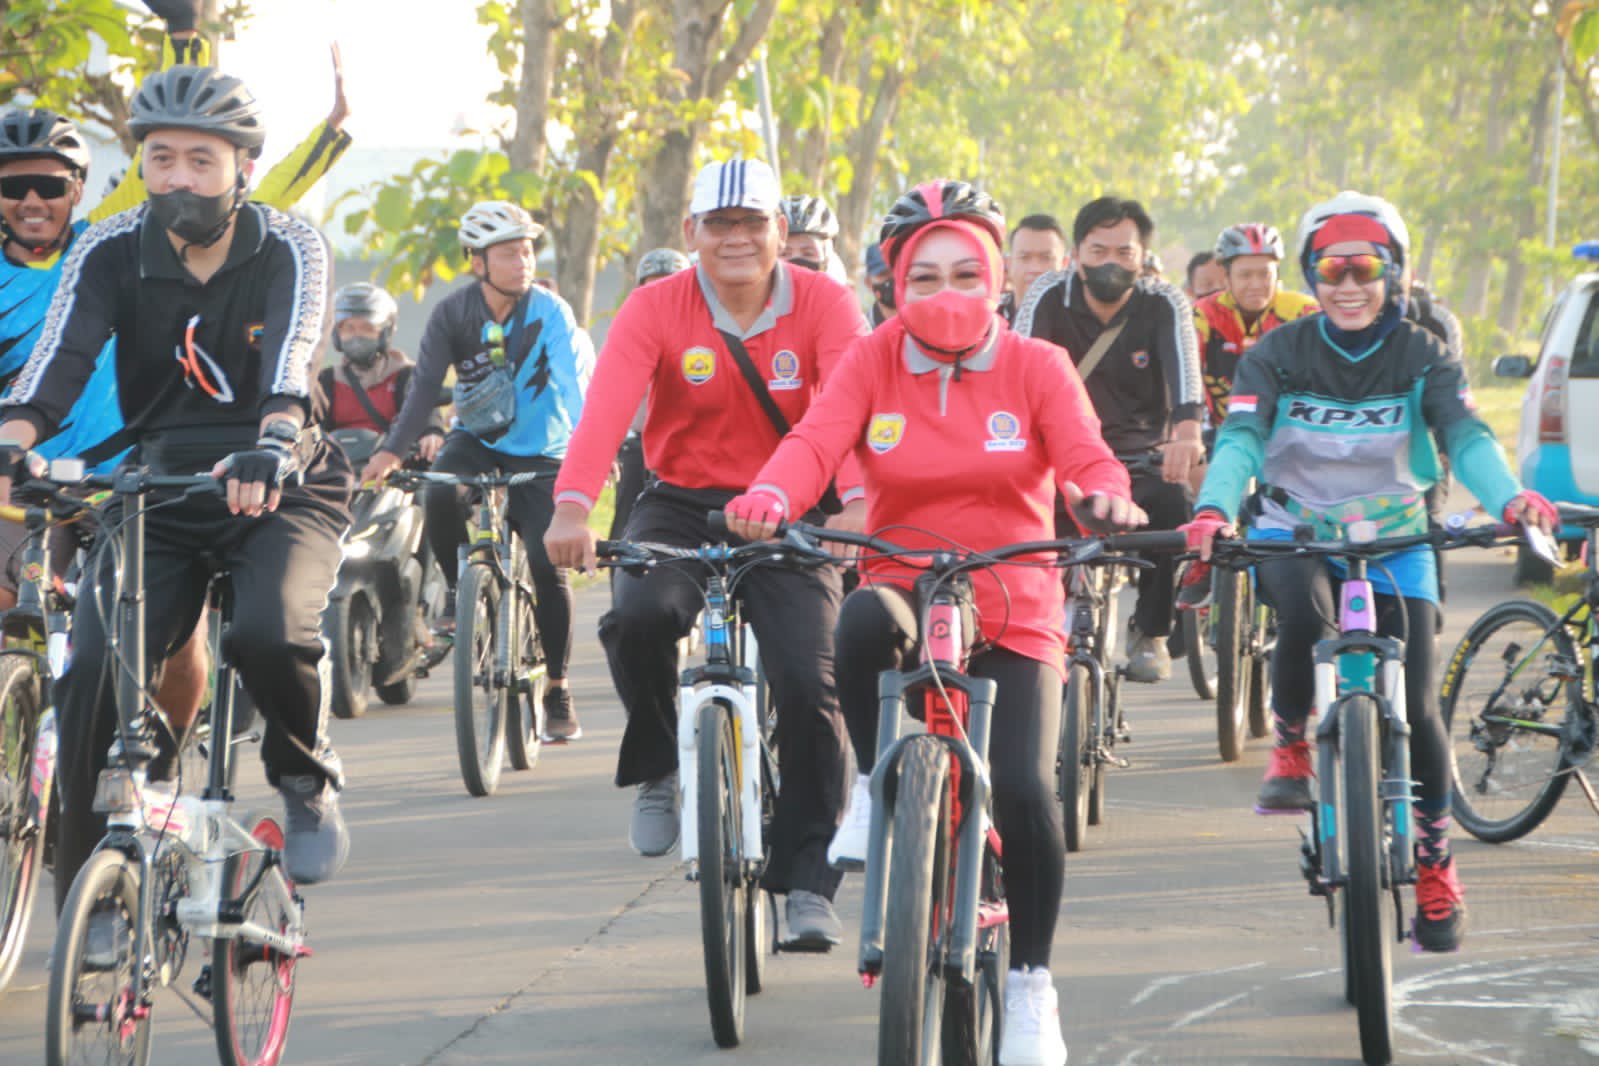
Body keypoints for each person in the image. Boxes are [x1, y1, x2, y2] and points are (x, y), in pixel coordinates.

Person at [722, 180, 1144, 1066]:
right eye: (924, 278)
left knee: (1024, 790)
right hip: (905, 581)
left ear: (996, 283)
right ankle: (873, 788)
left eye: (964, 276)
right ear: (894, 287)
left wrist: (1104, 495)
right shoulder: (871, 358)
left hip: (1015, 601)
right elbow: (813, 442)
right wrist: (769, 493)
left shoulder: (1036, 365)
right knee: (856, 623)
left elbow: (1084, 453)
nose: (944, 294)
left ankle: (1030, 987)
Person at [0, 66, 357, 920]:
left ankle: (305, 778)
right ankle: (91, 902)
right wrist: (13, 441)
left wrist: (273, 444)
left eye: (201, 160)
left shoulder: (289, 244)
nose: (179, 179)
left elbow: (292, 359)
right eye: (161, 159)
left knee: (268, 633)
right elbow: (58, 361)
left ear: (242, 166)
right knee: (92, 675)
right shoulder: (109, 247)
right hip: (157, 479)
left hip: (281, 479)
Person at [1182, 191, 1559, 954]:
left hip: (1396, 539)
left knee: (1417, 705)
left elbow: (1465, 435)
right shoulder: (1274, 354)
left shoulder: (1423, 353)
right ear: (1310, 277)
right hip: (1293, 529)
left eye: (1365, 268)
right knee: (1301, 617)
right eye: (1331, 270)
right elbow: (1242, 438)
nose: (1348, 285)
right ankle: (1291, 739)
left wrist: (1510, 499)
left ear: (1394, 273)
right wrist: (1213, 507)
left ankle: (1435, 862)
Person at [544, 157, 869, 948]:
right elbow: (605, 413)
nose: (735, 239)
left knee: (810, 682)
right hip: (682, 501)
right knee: (639, 614)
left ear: (779, 231)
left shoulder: (825, 303)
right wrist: (572, 506)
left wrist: (857, 502)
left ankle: (808, 880)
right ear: (690, 232)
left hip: (795, 507)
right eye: (718, 224)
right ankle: (660, 762)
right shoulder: (655, 306)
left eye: (751, 223)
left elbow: (850, 408)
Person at [361, 201, 592, 743]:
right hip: (477, 440)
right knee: (439, 494)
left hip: (542, 451)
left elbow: (574, 389)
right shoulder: (452, 314)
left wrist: (588, 457)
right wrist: (391, 451)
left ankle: (558, 688)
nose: (523, 262)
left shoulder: (551, 312)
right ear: (477, 262)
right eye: (509, 253)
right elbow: (423, 390)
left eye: (527, 251)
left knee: (546, 563)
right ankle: (459, 588)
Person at [1014, 196, 1204, 682]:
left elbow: (1186, 383)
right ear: (1076, 253)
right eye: (1099, 251)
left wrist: (1186, 435)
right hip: (1059, 456)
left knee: (1173, 503)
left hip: (1139, 458)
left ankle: (1151, 629)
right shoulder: (1047, 295)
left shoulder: (1164, 302)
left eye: (1125, 252)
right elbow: (1016, 375)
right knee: (1020, 524)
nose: (1111, 263)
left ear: (1142, 257)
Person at [1193, 223, 1321, 429]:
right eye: (1245, 275)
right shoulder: (1204, 314)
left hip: (1290, 431)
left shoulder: (1304, 311)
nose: (1256, 285)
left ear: (1277, 274)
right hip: (1223, 432)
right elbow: (1185, 377)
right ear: (1226, 278)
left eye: (1265, 274)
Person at [610, 248, 692, 547]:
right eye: (653, 285)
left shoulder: (703, 328)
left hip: (686, 445)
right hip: (640, 442)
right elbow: (612, 394)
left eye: (670, 284)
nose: (661, 293)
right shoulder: (632, 329)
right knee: (625, 522)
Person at [314, 282, 445, 455]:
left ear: (385, 333)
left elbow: (422, 408)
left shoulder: (407, 375)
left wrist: (431, 433)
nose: (357, 335)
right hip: (335, 468)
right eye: (348, 328)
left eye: (367, 328)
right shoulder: (326, 380)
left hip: (392, 465)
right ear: (336, 334)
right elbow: (307, 423)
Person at [999, 212, 1067, 325]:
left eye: (1046, 258)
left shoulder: (1078, 324)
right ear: (1009, 263)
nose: (1035, 268)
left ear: (1065, 264)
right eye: (1024, 257)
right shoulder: (989, 320)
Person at [778, 193, 848, 283]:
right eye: (784, 254)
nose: (797, 261)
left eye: (808, 254)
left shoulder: (838, 289)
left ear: (826, 257)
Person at [864, 240, 895, 326]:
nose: (894, 279)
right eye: (884, 274)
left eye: (898, 271)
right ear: (868, 283)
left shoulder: (922, 326)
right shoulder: (861, 330)